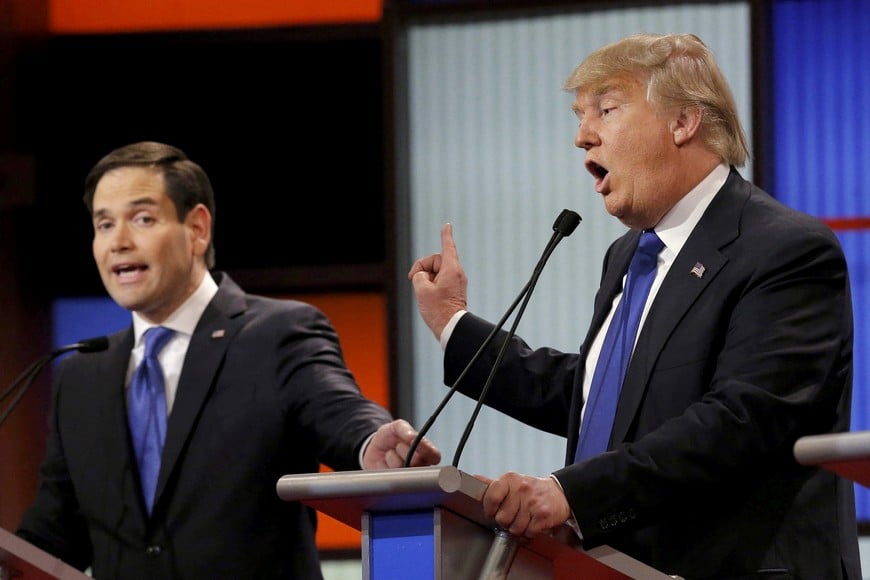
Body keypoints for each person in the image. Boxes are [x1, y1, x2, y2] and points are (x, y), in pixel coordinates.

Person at [408, 32, 860, 579]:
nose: (582, 137)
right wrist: (452, 322)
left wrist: (569, 494)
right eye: (579, 116)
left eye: (606, 109)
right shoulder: (629, 255)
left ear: (683, 122)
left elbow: (742, 418)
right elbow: (605, 398)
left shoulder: (784, 248)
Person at [16, 140, 441, 579]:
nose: (118, 242)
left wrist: (372, 442)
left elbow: (339, 412)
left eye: (142, 219)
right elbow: (54, 534)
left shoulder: (277, 334)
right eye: (103, 225)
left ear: (198, 228)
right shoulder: (82, 376)